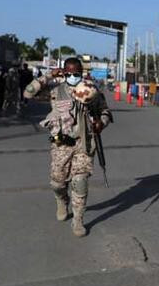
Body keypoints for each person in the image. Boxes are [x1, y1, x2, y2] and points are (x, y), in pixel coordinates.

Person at [23, 57, 112, 237]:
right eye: (68, 73)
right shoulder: (55, 91)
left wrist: (101, 123)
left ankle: (78, 220)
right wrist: (48, 76)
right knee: (57, 182)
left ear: (82, 72)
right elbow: (28, 93)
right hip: (61, 144)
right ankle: (61, 200)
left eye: (76, 73)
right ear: (63, 72)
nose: (72, 76)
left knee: (80, 182)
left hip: (84, 143)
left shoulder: (91, 91)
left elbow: (106, 112)